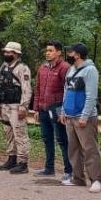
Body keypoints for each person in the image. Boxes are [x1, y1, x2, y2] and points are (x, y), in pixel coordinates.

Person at [60, 43, 101, 192]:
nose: (68, 55)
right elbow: (66, 91)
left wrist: (85, 116)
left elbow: (91, 96)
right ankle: (77, 178)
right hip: (70, 116)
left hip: (84, 117)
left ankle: (96, 179)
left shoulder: (90, 70)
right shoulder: (71, 70)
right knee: (73, 149)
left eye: (70, 52)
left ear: (77, 54)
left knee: (90, 149)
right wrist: (63, 111)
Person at [33, 40, 71, 179]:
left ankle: (68, 170)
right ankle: (49, 168)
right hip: (43, 108)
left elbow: (68, 91)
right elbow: (37, 88)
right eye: (47, 50)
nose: (47, 53)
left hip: (57, 109)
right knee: (47, 139)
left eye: (51, 50)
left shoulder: (64, 68)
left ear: (59, 52)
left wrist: (64, 111)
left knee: (62, 139)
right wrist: (36, 108)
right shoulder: (43, 68)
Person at [0, 42, 33, 174]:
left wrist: (23, 107)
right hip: (5, 105)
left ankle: (23, 162)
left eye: (9, 52)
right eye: (5, 52)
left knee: (20, 134)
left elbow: (26, 89)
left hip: (16, 106)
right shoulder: (3, 67)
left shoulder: (22, 68)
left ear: (16, 54)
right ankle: (12, 158)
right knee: (8, 133)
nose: (6, 54)